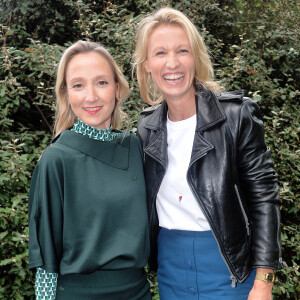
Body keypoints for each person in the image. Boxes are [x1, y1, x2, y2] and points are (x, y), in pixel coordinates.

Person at [134, 7, 282, 300]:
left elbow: (264, 198)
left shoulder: (236, 116)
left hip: (230, 270)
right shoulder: (146, 128)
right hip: (170, 270)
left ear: (196, 58)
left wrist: (264, 281)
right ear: (147, 64)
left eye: (182, 51)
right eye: (160, 53)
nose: (172, 63)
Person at [28, 40, 151, 300]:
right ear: (66, 94)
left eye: (102, 82)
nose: (91, 96)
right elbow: (46, 259)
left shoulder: (135, 147)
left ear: (117, 89)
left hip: (137, 292)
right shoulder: (55, 160)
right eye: (78, 85)